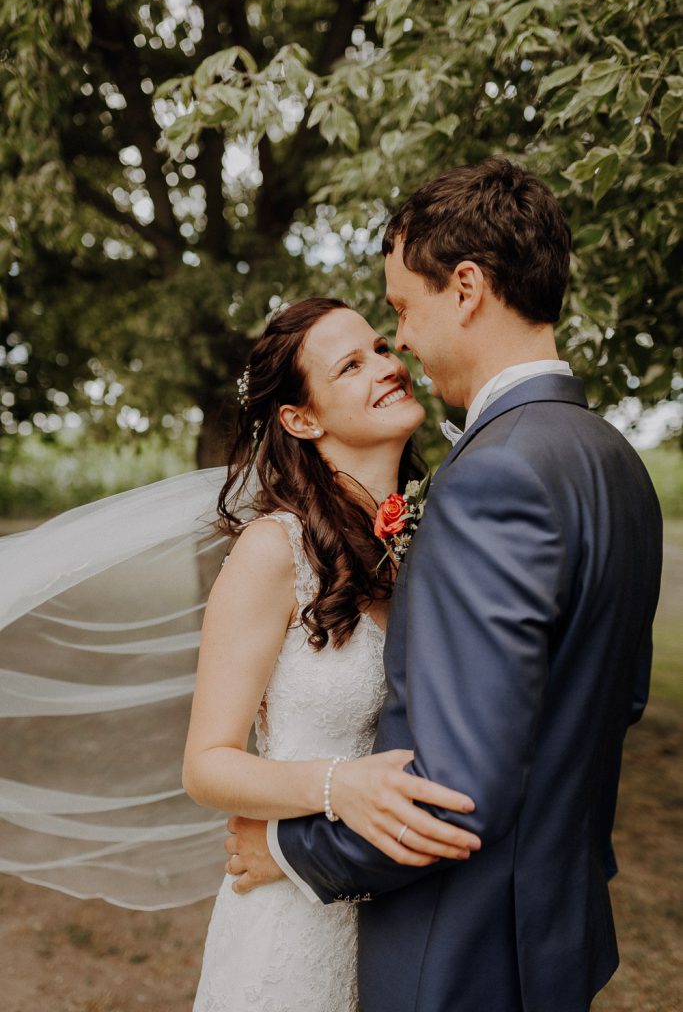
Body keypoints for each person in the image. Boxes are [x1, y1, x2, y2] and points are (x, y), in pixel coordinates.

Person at [225, 158, 663, 1012]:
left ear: (465, 288)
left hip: (456, 951)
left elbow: (455, 799)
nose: (402, 344)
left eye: (400, 311)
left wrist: (287, 849)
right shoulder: (614, 461)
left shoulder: (494, 473)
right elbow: (618, 699)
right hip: (548, 932)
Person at [184, 296, 482, 1012]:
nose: (386, 366)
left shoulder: (434, 541)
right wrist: (336, 787)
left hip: (403, 913)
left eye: (380, 347)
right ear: (301, 419)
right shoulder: (273, 551)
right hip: (291, 928)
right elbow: (206, 764)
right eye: (350, 366)